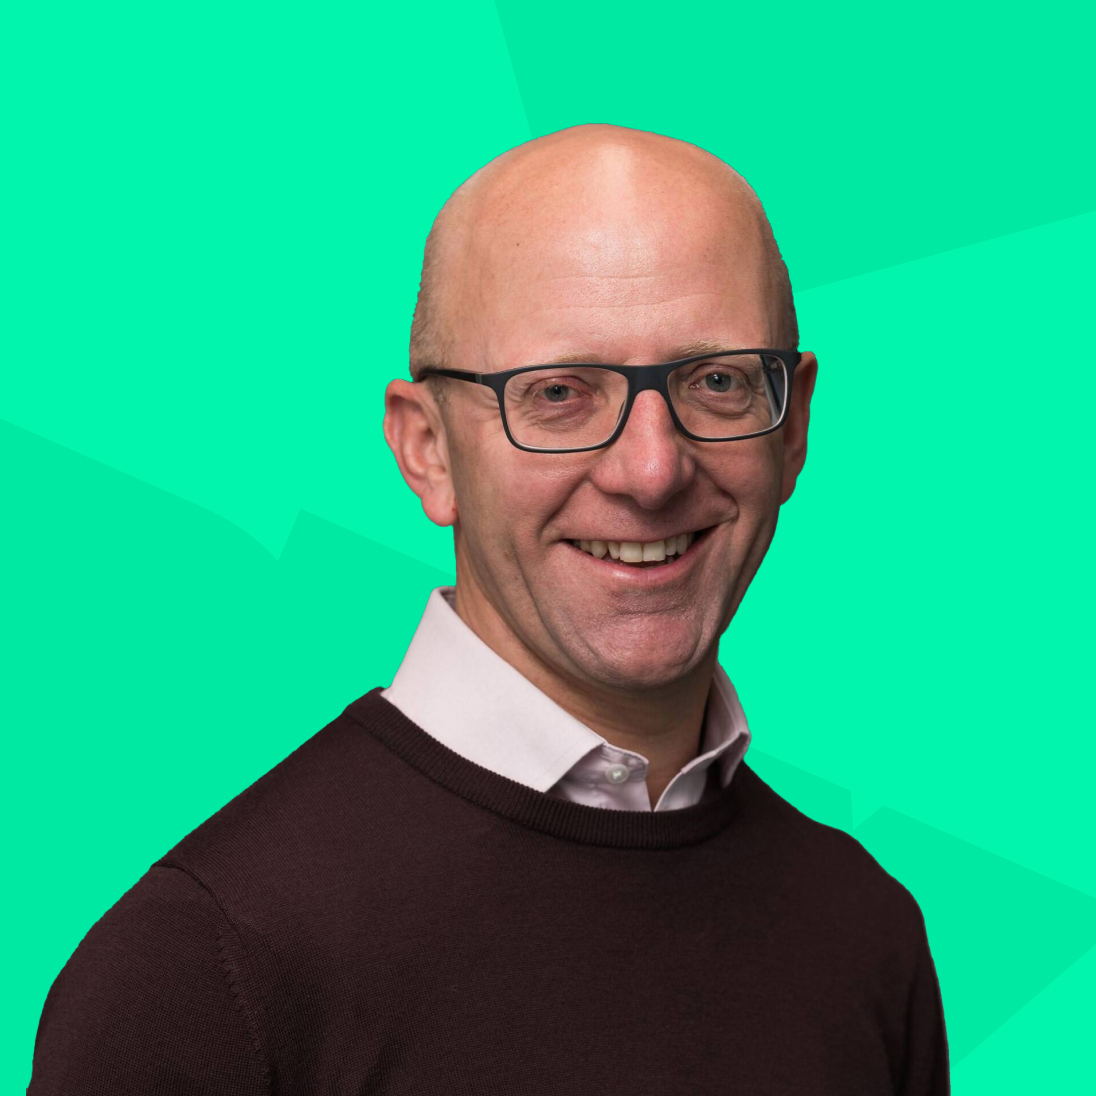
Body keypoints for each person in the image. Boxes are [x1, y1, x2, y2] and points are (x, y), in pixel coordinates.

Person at [28, 123, 950, 1093]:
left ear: (792, 428)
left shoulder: (865, 933)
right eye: (558, 393)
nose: (651, 471)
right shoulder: (206, 968)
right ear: (426, 449)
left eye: (717, 381)